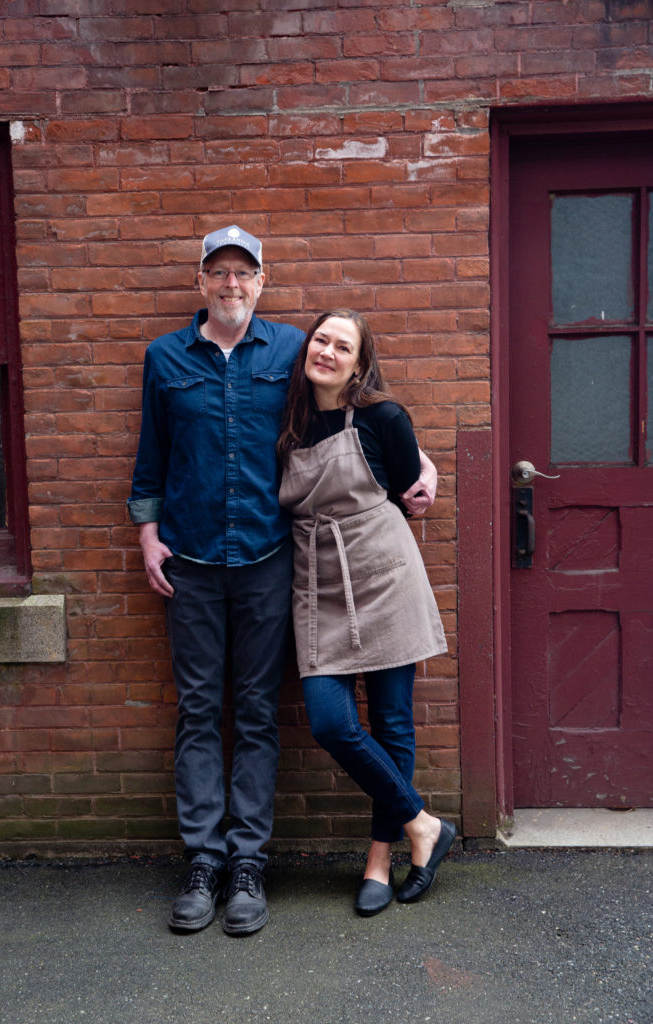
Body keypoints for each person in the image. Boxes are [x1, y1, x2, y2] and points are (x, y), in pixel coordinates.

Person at [128, 226, 438, 937]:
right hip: (192, 564)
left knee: (261, 713)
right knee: (201, 711)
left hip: (272, 561)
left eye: (243, 272)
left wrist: (419, 461)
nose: (231, 283)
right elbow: (152, 453)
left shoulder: (292, 351)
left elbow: (351, 402)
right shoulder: (165, 358)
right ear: (200, 282)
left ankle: (246, 866)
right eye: (218, 272)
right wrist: (148, 534)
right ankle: (203, 861)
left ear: (261, 281)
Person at [277, 309, 454, 917]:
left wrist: (427, 473)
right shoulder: (285, 421)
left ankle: (380, 860)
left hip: (384, 576)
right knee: (330, 721)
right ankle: (423, 824)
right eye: (320, 340)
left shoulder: (383, 415)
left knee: (392, 724)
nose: (327, 351)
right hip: (316, 582)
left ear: (358, 363)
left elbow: (410, 488)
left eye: (342, 346)